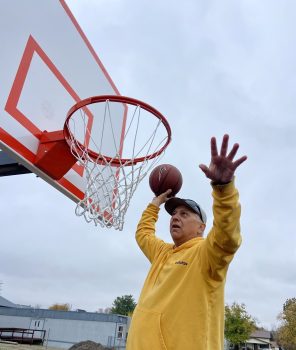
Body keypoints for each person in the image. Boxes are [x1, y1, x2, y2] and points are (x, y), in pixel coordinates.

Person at [126, 134, 247, 350]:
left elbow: (227, 237)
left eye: (184, 214)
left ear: (202, 227)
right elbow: (143, 233)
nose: (175, 217)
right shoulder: (163, 252)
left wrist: (224, 190)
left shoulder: (206, 255)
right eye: (174, 214)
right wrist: (155, 204)